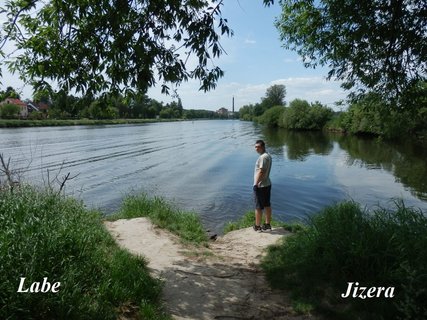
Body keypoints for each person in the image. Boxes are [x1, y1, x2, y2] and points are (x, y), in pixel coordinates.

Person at [253, 140, 272, 231]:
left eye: (258, 147)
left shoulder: (263, 157)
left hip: (261, 185)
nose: (256, 149)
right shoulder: (268, 155)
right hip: (267, 183)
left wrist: (256, 184)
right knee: (267, 204)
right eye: (255, 147)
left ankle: (257, 226)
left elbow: (261, 171)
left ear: (263, 147)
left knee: (258, 207)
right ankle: (267, 224)